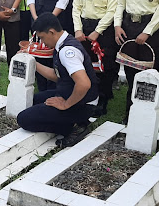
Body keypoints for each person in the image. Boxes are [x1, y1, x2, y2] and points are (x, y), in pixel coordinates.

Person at [17, 12, 99, 148]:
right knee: (32, 99)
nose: (42, 42)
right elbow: (57, 76)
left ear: (51, 32)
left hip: (82, 103)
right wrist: (33, 62)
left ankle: (74, 127)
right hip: (69, 92)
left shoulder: (67, 51)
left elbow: (84, 84)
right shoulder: (63, 42)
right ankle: (69, 120)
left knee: (24, 119)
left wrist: (66, 104)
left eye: (42, 38)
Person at [72, 0, 119, 116]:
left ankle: (103, 99)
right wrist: (78, 29)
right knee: (85, 64)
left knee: (104, 66)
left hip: (103, 30)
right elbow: (76, 7)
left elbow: (112, 10)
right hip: (83, 29)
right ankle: (88, 96)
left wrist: (97, 31)